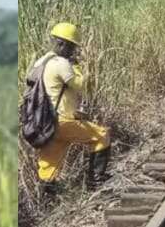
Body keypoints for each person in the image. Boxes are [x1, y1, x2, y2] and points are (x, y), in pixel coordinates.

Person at [31, 22, 111, 191]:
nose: (73, 51)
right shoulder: (61, 63)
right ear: (62, 44)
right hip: (62, 121)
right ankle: (96, 182)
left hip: (47, 123)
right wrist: (76, 66)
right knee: (101, 136)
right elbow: (81, 85)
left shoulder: (41, 62)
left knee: (49, 166)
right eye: (72, 47)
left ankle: (49, 198)